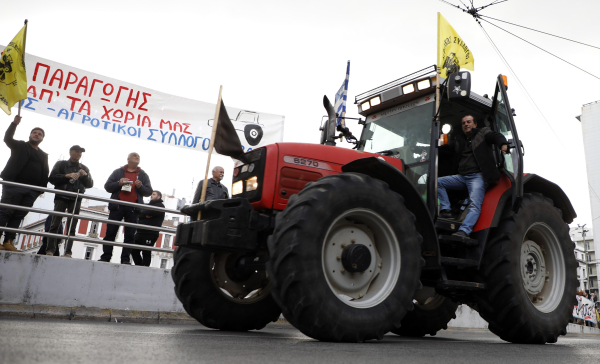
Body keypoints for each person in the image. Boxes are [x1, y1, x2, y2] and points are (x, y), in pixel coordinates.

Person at [438, 115, 508, 237]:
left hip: (478, 177)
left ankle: (464, 231)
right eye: (463, 123)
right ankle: (445, 209)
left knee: (475, 205)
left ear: (475, 124)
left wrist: (503, 144)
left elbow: (495, 136)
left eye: (469, 122)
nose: (466, 124)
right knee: (438, 182)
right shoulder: (459, 140)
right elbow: (447, 148)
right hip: (462, 177)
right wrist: (434, 143)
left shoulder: (482, 133)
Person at [0, 115, 48, 251]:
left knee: (18, 215)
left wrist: (40, 190)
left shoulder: (44, 155)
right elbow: (7, 139)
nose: (37, 135)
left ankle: (9, 241)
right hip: (14, 186)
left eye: (40, 134)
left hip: (31, 191)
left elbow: (45, 172)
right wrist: (14, 124)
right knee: (5, 212)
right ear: (30, 135)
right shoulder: (20, 145)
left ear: (42, 138)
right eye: (35, 133)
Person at [99, 152, 152, 264]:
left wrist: (140, 186)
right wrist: (119, 183)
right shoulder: (118, 172)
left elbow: (148, 192)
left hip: (133, 208)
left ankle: (125, 259)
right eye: (134, 156)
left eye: (138, 156)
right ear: (128, 159)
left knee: (130, 235)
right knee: (110, 233)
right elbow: (107, 186)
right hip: (117, 206)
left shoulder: (143, 174)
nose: (137, 157)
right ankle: (106, 257)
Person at [46, 145, 94, 257]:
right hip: (61, 196)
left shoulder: (84, 168)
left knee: (72, 226)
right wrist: (66, 175)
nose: (79, 154)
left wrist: (85, 176)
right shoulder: (61, 164)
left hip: (76, 198)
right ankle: (50, 250)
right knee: (55, 224)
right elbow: (52, 178)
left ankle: (68, 252)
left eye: (80, 152)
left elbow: (90, 184)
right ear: (70, 152)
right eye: (77, 151)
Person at [131, 190, 165, 267]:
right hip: (140, 232)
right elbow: (139, 213)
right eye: (151, 194)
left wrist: (144, 213)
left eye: (154, 194)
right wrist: (144, 214)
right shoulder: (147, 205)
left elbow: (149, 212)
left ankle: (145, 268)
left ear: (158, 196)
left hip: (151, 233)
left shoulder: (161, 206)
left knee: (146, 252)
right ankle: (139, 266)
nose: (151, 196)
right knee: (133, 250)